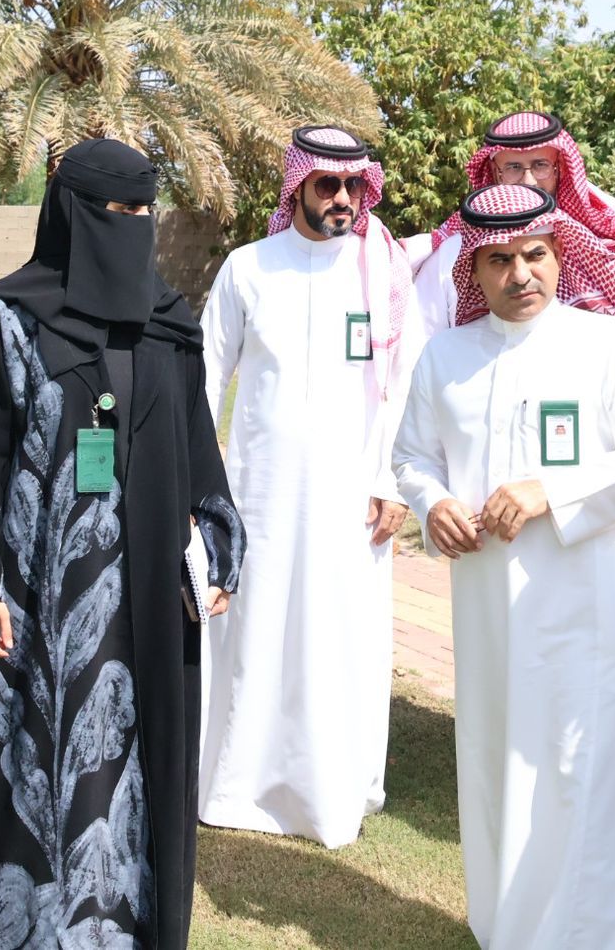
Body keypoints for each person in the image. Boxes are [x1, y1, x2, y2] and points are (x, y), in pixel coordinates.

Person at [0, 139, 244, 949]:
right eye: (117, 210)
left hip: (151, 584)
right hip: (40, 586)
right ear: (72, 215)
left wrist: (217, 553)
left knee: (138, 751)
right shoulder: (9, 320)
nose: (134, 224)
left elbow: (201, 455)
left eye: (145, 209)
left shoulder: (170, 326)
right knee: (42, 751)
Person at [393, 183, 615, 950]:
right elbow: (413, 457)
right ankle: (509, 930)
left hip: (595, 607)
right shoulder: (445, 356)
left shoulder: (611, 345)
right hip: (490, 608)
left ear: (561, 254)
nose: (520, 274)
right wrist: (433, 504)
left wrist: (550, 492)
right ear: (474, 270)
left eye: (535, 255)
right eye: (499, 260)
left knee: (587, 769)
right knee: (500, 761)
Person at [198, 125, 418, 848]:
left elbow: (405, 386)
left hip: (353, 498)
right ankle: (237, 784)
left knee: (339, 635)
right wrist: (202, 487)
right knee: (254, 630)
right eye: (328, 184)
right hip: (258, 491)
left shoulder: (382, 272)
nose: (343, 198)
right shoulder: (248, 268)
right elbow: (205, 379)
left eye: (354, 185)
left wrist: (390, 480)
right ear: (298, 186)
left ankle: (333, 786)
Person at [411, 110, 615, 338]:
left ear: (559, 168)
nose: (528, 181)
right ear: (495, 172)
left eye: (541, 165)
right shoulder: (455, 250)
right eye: (514, 167)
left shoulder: (603, 237)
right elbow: (427, 337)